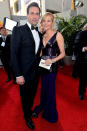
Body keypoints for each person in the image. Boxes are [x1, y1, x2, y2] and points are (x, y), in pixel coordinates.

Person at [11, 2, 42, 130]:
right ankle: (27, 116)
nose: (35, 16)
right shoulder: (18, 30)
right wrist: (18, 74)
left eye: (37, 13)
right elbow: (14, 54)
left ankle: (29, 110)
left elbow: (38, 54)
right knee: (25, 97)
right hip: (23, 73)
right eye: (32, 13)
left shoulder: (40, 33)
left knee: (32, 94)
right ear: (27, 15)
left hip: (36, 72)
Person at [34, 12, 65, 123]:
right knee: (43, 89)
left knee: (50, 90)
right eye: (44, 21)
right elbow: (41, 53)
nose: (46, 23)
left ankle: (50, 113)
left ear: (52, 22)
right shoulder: (43, 35)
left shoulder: (58, 35)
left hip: (52, 67)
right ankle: (42, 106)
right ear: (42, 22)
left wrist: (52, 60)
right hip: (42, 66)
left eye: (49, 21)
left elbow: (62, 53)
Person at [74, 24, 87, 100]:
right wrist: (84, 48)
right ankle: (81, 92)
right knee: (83, 78)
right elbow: (76, 46)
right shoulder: (82, 34)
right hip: (84, 61)